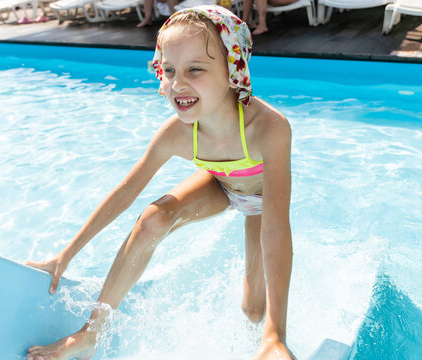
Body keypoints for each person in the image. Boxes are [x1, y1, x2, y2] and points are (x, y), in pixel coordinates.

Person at [26, 5, 294, 360]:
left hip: (260, 201)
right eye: (168, 70)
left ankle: (266, 342)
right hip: (220, 184)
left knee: (253, 311)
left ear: (233, 70)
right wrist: (66, 256)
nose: (178, 84)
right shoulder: (179, 134)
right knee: (152, 220)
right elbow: (125, 194)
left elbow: (275, 227)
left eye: (195, 69)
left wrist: (276, 334)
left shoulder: (268, 128)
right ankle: (92, 333)